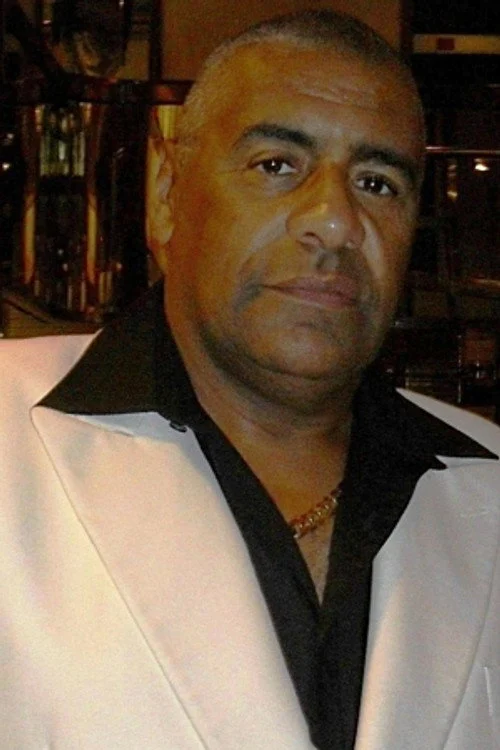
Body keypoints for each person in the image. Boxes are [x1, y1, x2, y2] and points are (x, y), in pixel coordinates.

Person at [0, 10, 499, 750]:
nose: (335, 222)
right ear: (167, 194)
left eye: (377, 182)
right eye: (276, 165)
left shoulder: (490, 488)